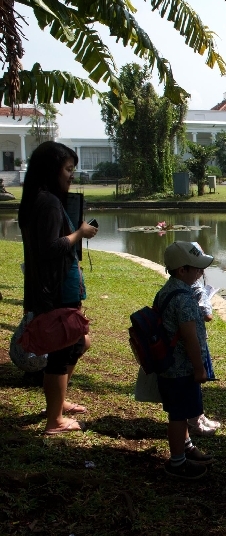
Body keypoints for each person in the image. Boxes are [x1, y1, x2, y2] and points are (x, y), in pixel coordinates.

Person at [18, 141, 98, 435]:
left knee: (78, 343)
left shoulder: (41, 200)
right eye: (67, 169)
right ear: (52, 170)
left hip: (55, 288)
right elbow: (51, 247)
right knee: (62, 352)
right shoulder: (48, 203)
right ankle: (55, 421)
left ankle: (58, 401)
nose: (71, 175)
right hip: (56, 291)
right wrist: (80, 232)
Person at [156, 241, 216, 479]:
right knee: (179, 416)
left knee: (179, 412)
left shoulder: (167, 290)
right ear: (182, 270)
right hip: (181, 368)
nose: (201, 273)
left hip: (170, 366)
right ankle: (177, 462)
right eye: (197, 268)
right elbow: (190, 337)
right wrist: (200, 368)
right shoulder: (183, 298)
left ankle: (187, 448)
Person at [186, 244, 221, 437]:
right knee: (193, 382)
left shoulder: (179, 286)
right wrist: (207, 299)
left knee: (194, 384)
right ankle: (194, 421)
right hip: (194, 344)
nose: (201, 271)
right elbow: (207, 315)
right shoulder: (195, 288)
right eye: (198, 267)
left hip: (195, 341)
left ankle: (199, 416)